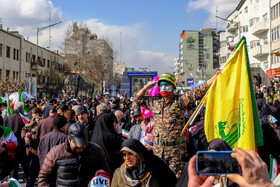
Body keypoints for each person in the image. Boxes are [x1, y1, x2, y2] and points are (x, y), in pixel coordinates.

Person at [133, 73, 219, 178]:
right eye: (162, 85)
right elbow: (137, 99)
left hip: (176, 152)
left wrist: (214, 77)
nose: (164, 88)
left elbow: (198, 91)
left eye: (167, 85)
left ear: (173, 87)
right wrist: (146, 88)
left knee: (176, 180)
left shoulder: (180, 101)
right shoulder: (154, 102)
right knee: (159, 179)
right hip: (159, 151)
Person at [38, 122, 110, 186]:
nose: (80, 146)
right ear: (69, 139)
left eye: (83, 143)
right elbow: (43, 177)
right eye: (77, 143)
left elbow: (106, 174)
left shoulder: (96, 151)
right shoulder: (56, 152)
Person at [111, 138, 177, 187]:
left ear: (138, 154)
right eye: (124, 155)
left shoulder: (154, 170)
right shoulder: (119, 174)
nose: (127, 158)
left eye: (130, 153)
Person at [4, 102, 29, 180]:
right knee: (25, 164)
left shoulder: (8, 118)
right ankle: (27, 178)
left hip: (11, 145)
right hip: (22, 144)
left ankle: (15, 180)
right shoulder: (25, 118)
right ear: (22, 109)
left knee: (14, 165)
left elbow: (4, 131)